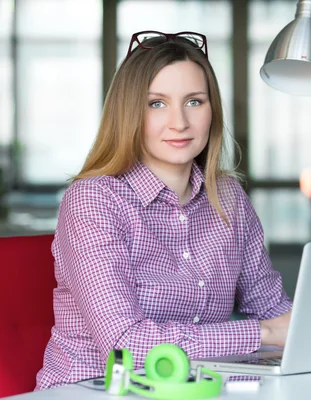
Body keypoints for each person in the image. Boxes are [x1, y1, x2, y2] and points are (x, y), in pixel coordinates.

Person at [35, 31, 292, 390]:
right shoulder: (94, 201)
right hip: (95, 390)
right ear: (129, 113)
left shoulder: (229, 198)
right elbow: (126, 343)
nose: (179, 122)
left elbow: (273, 309)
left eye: (194, 101)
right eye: (156, 103)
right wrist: (261, 333)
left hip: (196, 390)